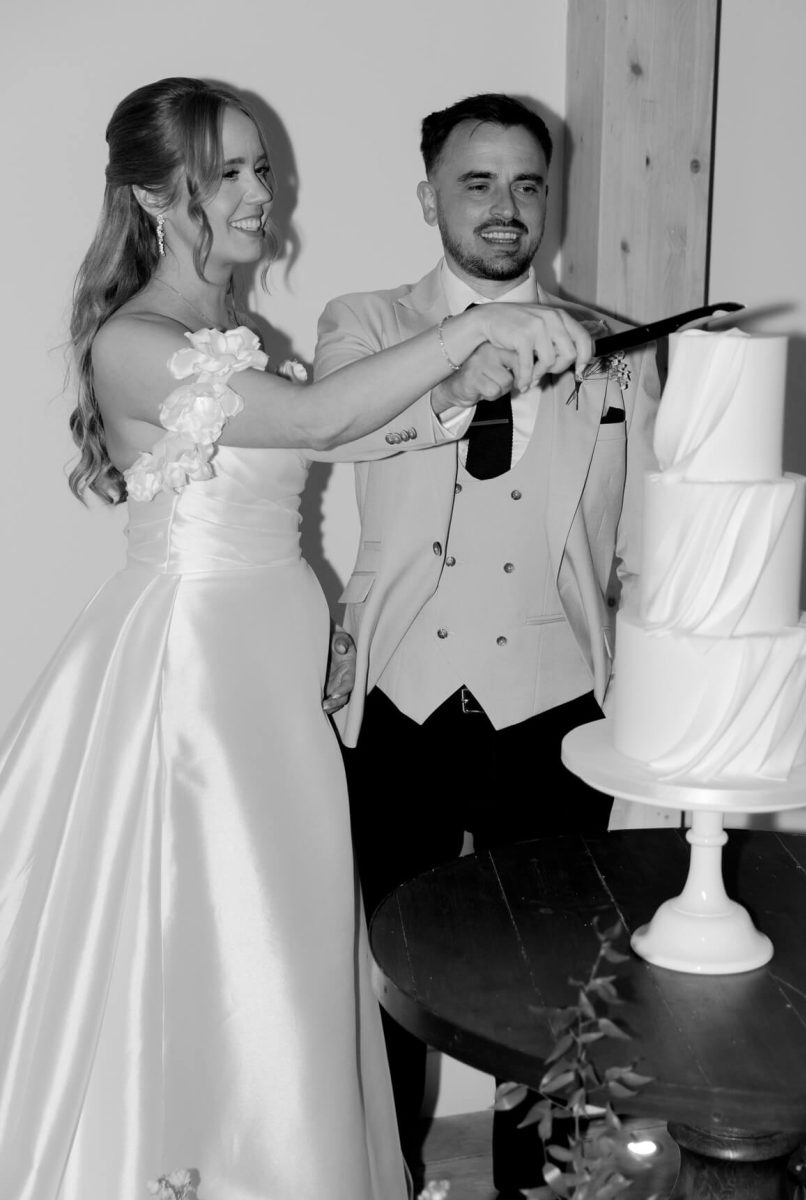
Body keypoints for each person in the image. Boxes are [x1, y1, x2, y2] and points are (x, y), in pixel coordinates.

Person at [0, 78, 592, 1200]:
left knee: (288, 941)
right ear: (148, 193)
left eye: (260, 166)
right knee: (218, 929)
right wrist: (473, 324)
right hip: (197, 677)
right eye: (226, 171)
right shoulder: (135, 342)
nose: (258, 192)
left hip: (270, 673)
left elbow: (345, 441)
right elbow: (318, 418)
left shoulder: (234, 335)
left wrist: (460, 385)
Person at [313, 93, 662, 1196]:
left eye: (524, 183)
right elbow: (338, 420)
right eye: (476, 182)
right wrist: (461, 365)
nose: (504, 207)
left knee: (555, 978)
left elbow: (647, 534)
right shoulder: (365, 323)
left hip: (557, 698)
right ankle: (386, 1172)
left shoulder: (614, 346)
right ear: (428, 196)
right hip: (398, 694)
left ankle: (534, 1184)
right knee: (384, 967)